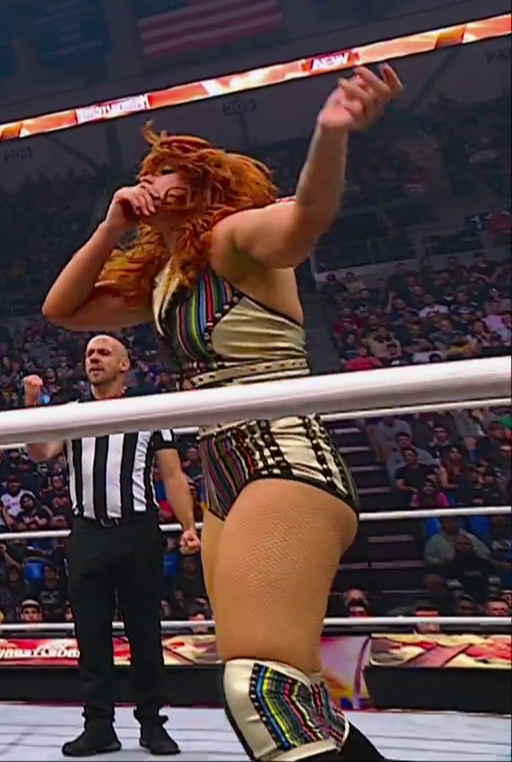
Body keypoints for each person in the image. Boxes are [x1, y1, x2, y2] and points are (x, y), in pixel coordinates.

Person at [41, 64, 403, 762]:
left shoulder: (235, 238)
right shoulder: (165, 279)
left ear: (201, 184)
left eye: (166, 171)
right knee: (287, 688)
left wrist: (331, 133)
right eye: (145, 172)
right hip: (224, 473)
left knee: (259, 688)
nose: (149, 182)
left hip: (282, 456)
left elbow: (303, 221)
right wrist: (111, 225)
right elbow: (63, 310)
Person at [24, 335, 197, 757]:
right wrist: (31, 405)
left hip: (137, 532)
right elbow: (41, 452)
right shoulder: (72, 413)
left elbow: (172, 474)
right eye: (89, 354)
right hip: (87, 533)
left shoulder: (149, 410)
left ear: (124, 364)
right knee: (91, 634)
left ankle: (152, 724)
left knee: (144, 630)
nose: (94, 358)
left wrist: (189, 526)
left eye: (103, 352)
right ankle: (99, 726)